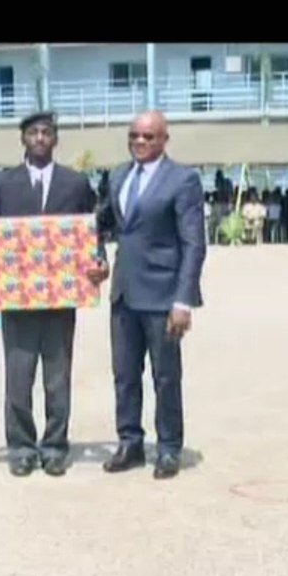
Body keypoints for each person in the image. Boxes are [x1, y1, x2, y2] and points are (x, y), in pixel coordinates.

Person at [0, 111, 109, 477]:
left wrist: (99, 263)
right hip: (16, 299)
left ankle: (55, 446)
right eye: (33, 133)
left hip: (60, 298)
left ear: (55, 140)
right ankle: (21, 447)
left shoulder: (76, 184)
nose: (40, 138)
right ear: (23, 139)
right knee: (18, 377)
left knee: (58, 377)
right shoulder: (3, 184)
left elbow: (91, 234)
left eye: (47, 133)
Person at [99, 110, 206, 479]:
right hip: (124, 293)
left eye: (148, 137)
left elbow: (193, 244)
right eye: (134, 136)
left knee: (165, 377)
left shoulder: (183, 179)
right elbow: (103, 224)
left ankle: (168, 448)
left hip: (163, 296)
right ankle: (129, 442)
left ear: (164, 139)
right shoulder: (117, 176)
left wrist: (183, 300)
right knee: (124, 374)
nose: (140, 143)